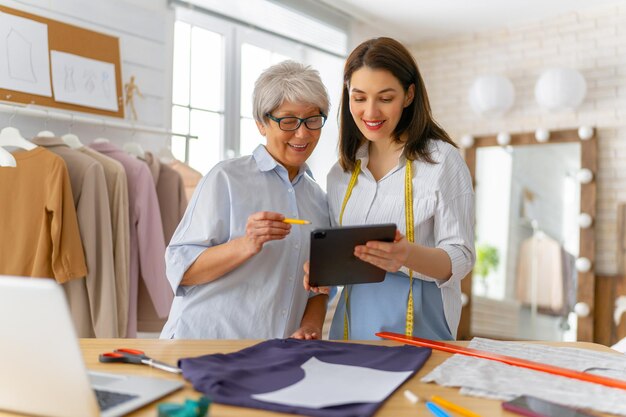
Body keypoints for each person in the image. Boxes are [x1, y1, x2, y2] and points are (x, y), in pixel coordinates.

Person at [305, 37, 475, 341]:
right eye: (359, 98)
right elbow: (342, 256)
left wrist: (406, 254)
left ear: (409, 95)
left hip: (421, 321)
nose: (370, 112)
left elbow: (460, 256)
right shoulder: (340, 174)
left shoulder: (442, 161)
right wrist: (321, 273)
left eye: (385, 98)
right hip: (351, 324)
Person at [161, 61, 331, 339]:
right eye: (288, 120)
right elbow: (182, 272)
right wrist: (246, 244)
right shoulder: (226, 178)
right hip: (204, 346)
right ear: (262, 124)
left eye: (312, 119)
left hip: (274, 356)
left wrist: (311, 327)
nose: (302, 133)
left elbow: (319, 289)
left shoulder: (319, 201)